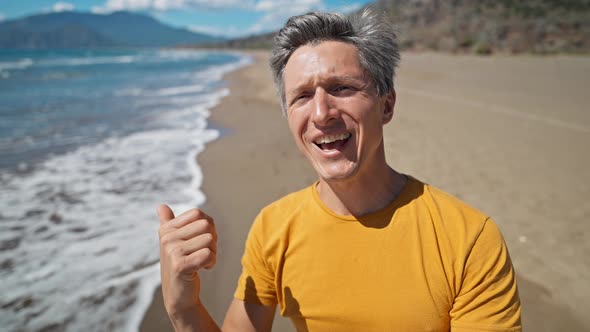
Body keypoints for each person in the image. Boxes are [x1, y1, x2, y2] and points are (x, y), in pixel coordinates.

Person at [156, 9, 522, 332]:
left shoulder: (468, 239)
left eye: (342, 88)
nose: (321, 113)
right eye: (302, 96)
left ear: (387, 104)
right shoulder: (274, 228)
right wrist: (183, 309)